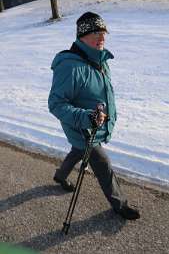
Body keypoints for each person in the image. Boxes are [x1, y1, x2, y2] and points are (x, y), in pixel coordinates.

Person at [48, 12, 140, 220]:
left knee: (77, 151)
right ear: (83, 35)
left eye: (104, 33)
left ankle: (60, 175)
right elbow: (56, 104)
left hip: (94, 125)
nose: (103, 38)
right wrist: (86, 117)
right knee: (102, 163)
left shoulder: (99, 59)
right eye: (97, 33)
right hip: (83, 127)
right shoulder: (69, 66)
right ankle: (120, 204)